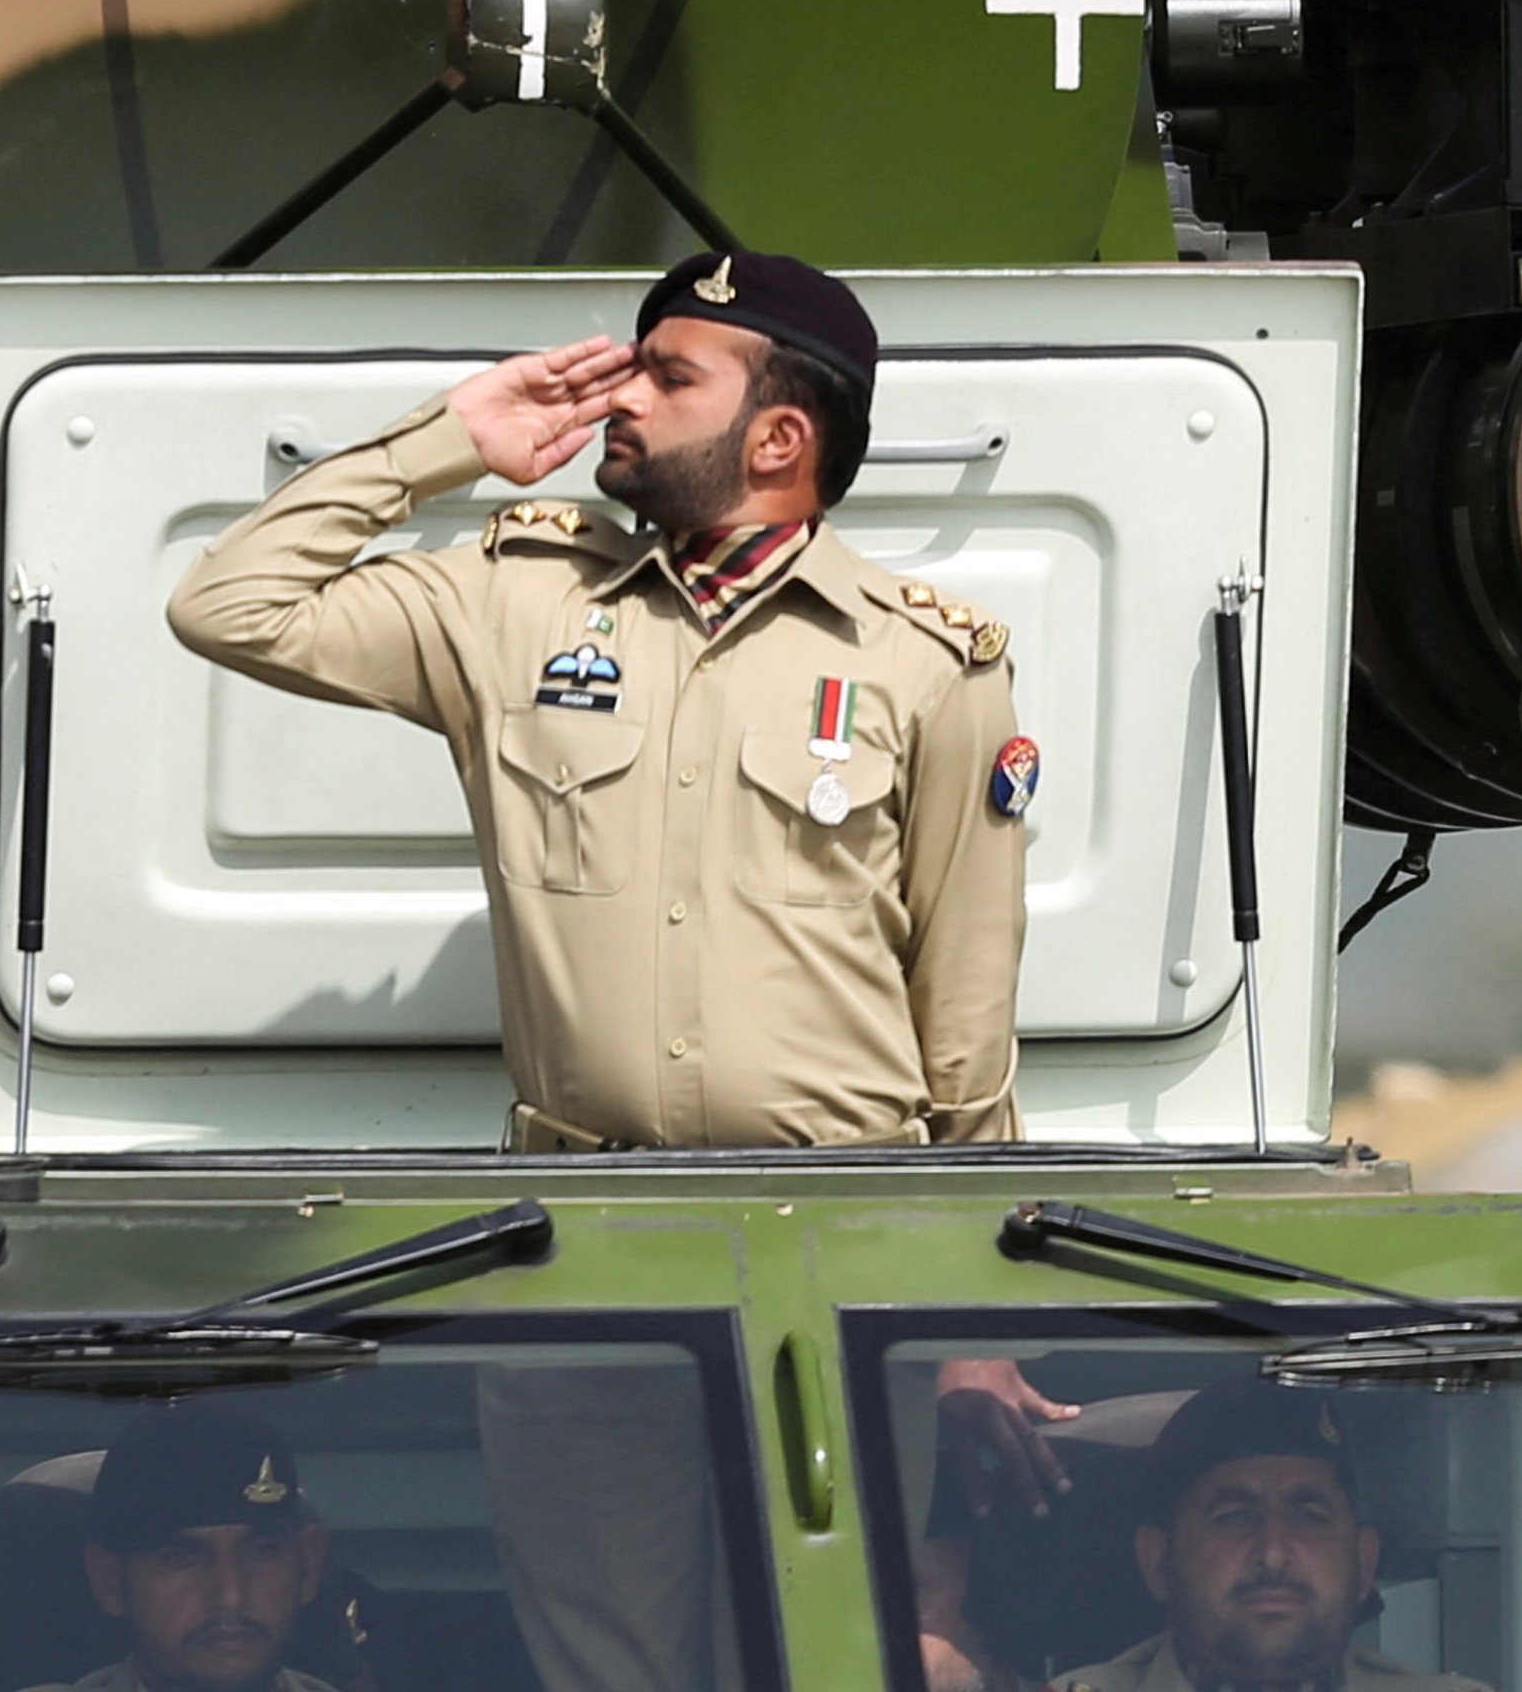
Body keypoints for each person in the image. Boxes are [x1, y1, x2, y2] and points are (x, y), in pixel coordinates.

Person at [166, 248, 1034, 1151]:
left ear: (778, 439)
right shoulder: (511, 602)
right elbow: (227, 607)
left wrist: (973, 1216)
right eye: (631, 370)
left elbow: (965, 989)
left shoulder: (926, 659)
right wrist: (447, 440)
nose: (624, 398)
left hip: (840, 1209)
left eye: (670, 379)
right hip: (577, 1212)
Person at [965, 1384, 1522, 1692]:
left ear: (1362, 1562)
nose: (1274, 1552)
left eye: (1309, 1514)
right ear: (1158, 1561)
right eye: (1232, 1515)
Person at [0, 1401, 473, 1692]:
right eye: (180, 1558)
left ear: (307, 1567)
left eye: (261, 1553)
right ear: (110, 1581)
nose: (230, 1596)